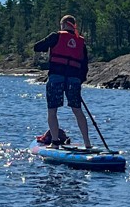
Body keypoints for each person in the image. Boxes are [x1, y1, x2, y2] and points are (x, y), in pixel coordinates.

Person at [33, 14, 92, 148]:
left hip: (56, 78)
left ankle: (55, 142)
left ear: (64, 24)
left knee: (52, 111)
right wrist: (79, 81)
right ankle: (87, 143)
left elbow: (37, 47)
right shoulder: (80, 42)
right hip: (74, 80)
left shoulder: (56, 36)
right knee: (77, 110)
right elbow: (84, 65)